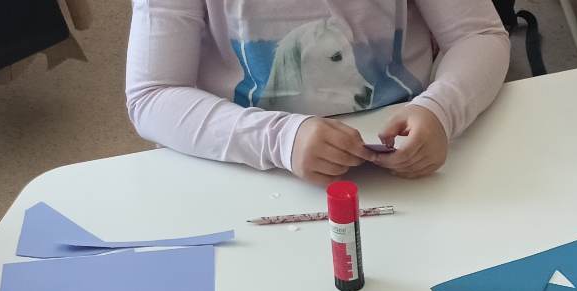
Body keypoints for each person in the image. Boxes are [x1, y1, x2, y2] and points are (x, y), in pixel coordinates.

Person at [125, 0, 509, 183]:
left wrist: (441, 110)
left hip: (411, 156)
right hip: (245, 163)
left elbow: (478, 34)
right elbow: (153, 95)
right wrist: (279, 139)